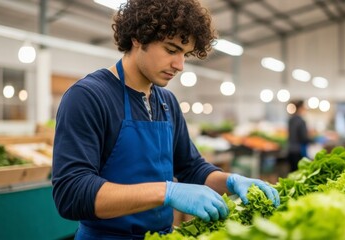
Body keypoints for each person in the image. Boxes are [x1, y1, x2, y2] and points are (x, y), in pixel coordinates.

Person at [51, 0, 279, 239]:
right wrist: (167, 192)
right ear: (138, 38)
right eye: (171, 50)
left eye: (185, 54)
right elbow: (71, 194)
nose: (179, 65)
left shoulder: (167, 102)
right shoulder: (88, 97)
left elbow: (191, 168)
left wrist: (231, 181)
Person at [285, 100, 312, 173]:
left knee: (292, 174)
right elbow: (303, 138)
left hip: (290, 150)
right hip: (298, 152)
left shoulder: (291, 120)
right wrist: (314, 140)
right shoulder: (301, 121)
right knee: (299, 174)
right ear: (300, 108)